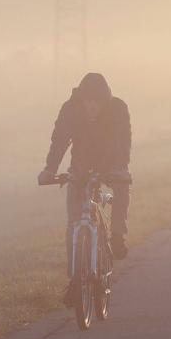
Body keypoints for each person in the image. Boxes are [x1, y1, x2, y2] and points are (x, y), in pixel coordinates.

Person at [38, 73, 132, 305]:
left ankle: (118, 235)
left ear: (105, 100)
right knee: (74, 222)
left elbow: (124, 140)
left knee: (121, 188)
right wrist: (50, 169)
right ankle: (75, 279)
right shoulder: (70, 109)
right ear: (81, 99)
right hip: (80, 164)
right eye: (87, 101)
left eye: (96, 102)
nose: (91, 106)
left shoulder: (118, 109)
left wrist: (120, 168)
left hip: (112, 162)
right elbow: (59, 139)